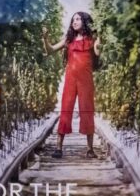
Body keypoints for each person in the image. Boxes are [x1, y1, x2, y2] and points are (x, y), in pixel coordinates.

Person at [43, 12, 102, 159]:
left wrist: (100, 40)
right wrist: (45, 39)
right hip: (71, 79)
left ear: (84, 22)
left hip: (86, 80)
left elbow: (97, 52)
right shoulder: (68, 40)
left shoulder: (92, 39)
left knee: (87, 110)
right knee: (66, 109)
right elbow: (50, 50)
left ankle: (89, 149)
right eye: (73, 19)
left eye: (78, 19)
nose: (74, 22)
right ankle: (58, 147)